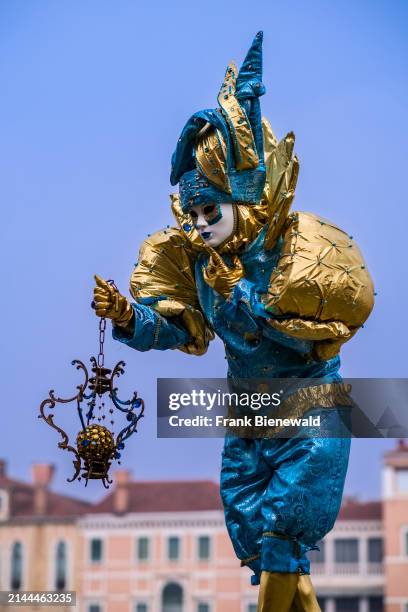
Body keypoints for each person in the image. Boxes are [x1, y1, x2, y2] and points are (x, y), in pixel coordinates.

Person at [93, 32, 374, 611]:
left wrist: (243, 295)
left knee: (282, 538)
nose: (198, 223)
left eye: (209, 210)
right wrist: (129, 315)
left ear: (243, 203)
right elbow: (182, 330)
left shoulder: (296, 251)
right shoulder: (198, 265)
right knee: (267, 552)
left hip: (308, 408)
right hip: (247, 416)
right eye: (192, 212)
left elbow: (307, 330)